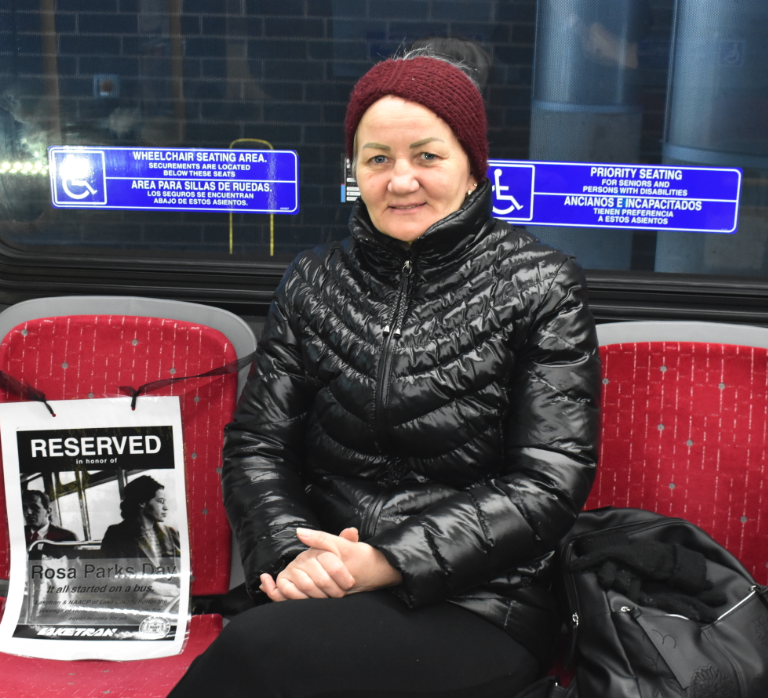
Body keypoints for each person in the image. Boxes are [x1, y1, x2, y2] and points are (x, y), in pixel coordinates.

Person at [170, 51, 600, 698]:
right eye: (377, 159)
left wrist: (387, 562)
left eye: (426, 156)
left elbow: (547, 481)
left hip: (482, 599)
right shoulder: (313, 283)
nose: (401, 181)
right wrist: (293, 555)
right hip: (324, 579)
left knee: (256, 656)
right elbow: (257, 449)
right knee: (266, 653)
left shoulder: (540, 286)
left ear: (471, 167)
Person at [99, 475, 181, 571]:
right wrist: (152, 585)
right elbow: (112, 573)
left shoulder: (170, 533)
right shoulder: (117, 534)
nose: (165, 507)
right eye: (160, 501)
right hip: (141, 586)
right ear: (142, 502)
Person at [22, 490, 77, 558]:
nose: (28, 512)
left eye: (34, 508)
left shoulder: (68, 537)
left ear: (48, 511)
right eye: (24, 508)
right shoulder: (18, 535)